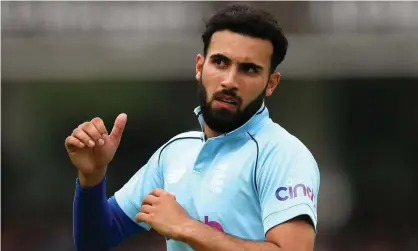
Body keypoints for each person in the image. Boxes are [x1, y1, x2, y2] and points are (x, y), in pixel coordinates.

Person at [66, 3, 320, 251]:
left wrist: (187, 227)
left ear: (271, 83)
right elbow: (95, 241)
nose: (229, 81)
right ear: (200, 67)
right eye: (220, 63)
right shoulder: (176, 152)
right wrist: (92, 177)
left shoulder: (282, 154)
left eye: (249, 69)